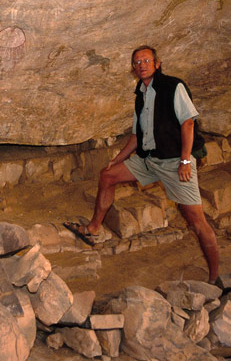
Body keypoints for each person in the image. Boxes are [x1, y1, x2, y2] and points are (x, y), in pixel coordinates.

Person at [65, 45, 219, 282]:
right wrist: (118, 159)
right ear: (133, 69)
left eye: (146, 60)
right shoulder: (141, 95)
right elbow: (137, 136)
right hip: (149, 159)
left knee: (196, 221)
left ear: (157, 63)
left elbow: (188, 123)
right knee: (107, 176)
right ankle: (93, 229)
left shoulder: (172, 86)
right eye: (137, 62)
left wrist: (186, 160)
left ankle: (215, 277)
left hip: (174, 161)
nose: (142, 65)